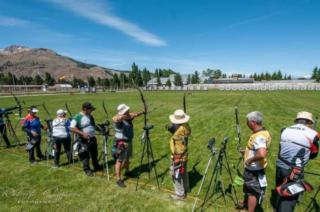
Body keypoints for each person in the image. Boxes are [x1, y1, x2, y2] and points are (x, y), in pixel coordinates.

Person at [275, 111, 319, 212]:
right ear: (309, 122)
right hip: (295, 171)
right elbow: (313, 155)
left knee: (280, 189)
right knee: (289, 198)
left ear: (297, 120)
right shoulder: (314, 135)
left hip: (280, 166)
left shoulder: (285, 130)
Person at [238, 111, 271, 212]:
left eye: (247, 121)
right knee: (249, 187)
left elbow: (261, 153)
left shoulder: (259, 137)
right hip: (257, 167)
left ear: (253, 122)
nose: (246, 123)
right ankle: (245, 202)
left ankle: (250, 210)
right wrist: (246, 151)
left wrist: (250, 160)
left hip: (254, 168)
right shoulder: (264, 132)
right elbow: (257, 149)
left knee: (252, 191)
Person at [112, 104, 143, 187]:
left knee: (127, 157)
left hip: (128, 141)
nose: (129, 111)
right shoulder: (119, 119)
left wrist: (142, 112)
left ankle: (127, 171)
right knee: (119, 160)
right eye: (127, 110)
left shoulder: (128, 116)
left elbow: (134, 114)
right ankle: (118, 179)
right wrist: (127, 116)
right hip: (121, 142)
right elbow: (115, 119)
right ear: (123, 112)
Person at [70, 102, 102, 176]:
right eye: (90, 109)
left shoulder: (90, 116)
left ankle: (96, 165)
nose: (92, 111)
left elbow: (93, 126)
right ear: (85, 109)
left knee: (94, 153)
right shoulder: (77, 117)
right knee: (85, 155)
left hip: (92, 138)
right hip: (83, 139)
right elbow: (71, 128)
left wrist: (100, 129)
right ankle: (87, 169)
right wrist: (82, 133)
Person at [167, 109, 191, 200]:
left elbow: (171, 129)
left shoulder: (178, 129)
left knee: (175, 174)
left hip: (178, 156)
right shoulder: (186, 126)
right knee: (183, 171)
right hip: (184, 154)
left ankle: (180, 194)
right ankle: (186, 188)